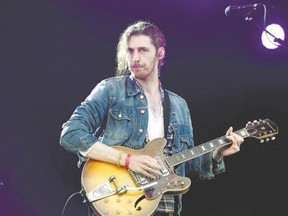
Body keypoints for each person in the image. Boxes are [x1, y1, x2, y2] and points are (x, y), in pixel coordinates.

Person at [60, 20, 244, 216]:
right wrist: (127, 160)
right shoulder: (111, 90)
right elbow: (71, 134)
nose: (135, 58)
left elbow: (187, 168)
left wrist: (217, 154)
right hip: (121, 200)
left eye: (143, 50)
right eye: (130, 51)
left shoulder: (179, 105)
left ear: (160, 54)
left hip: (165, 207)